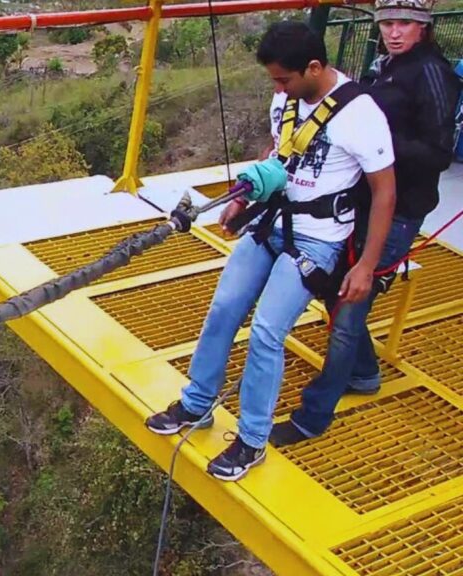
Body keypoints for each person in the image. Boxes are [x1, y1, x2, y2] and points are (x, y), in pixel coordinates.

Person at [144, 20, 397, 481]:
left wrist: (364, 266)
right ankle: (197, 403)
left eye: (284, 79)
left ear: (314, 68)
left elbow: (384, 193)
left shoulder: (361, 114)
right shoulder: (288, 97)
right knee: (223, 307)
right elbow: (280, 150)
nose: (278, 88)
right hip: (272, 219)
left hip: (318, 237)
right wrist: (243, 195)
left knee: (266, 330)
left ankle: (252, 439)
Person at [271, 0, 461, 446]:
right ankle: (362, 372)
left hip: (398, 209)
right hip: (365, 203)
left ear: (424, 28)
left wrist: (371, 138)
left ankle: (313, 415)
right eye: (388, 24)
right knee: (335, 293)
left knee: (348, 309)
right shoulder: (385, 68)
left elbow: (438, 152)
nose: (395, 32)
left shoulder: (430, 74)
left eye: (405, 25)